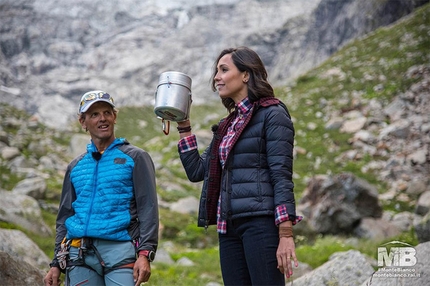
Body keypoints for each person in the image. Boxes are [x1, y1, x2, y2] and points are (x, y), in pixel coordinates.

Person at [176, 46, 302, 285]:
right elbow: (197, 171)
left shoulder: (272, 114)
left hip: (260, 223)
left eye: (224, 70)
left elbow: (281, 176)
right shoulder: (227, 125)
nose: (216, 77)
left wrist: (285, 233)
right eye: (216, 71)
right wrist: (184, 126)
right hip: (228, 227)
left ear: (246, 74)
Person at [44, 90, 159, 286]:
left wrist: (145, 253)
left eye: (107, 112)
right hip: (79, 254)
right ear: (83, 122)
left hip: (121, 251)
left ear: (115, 117)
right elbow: (65, 216)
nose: (102, 119)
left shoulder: (136, 157)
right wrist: (56, 262)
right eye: (94, 114)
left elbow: (148, 208)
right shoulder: (75, 166)